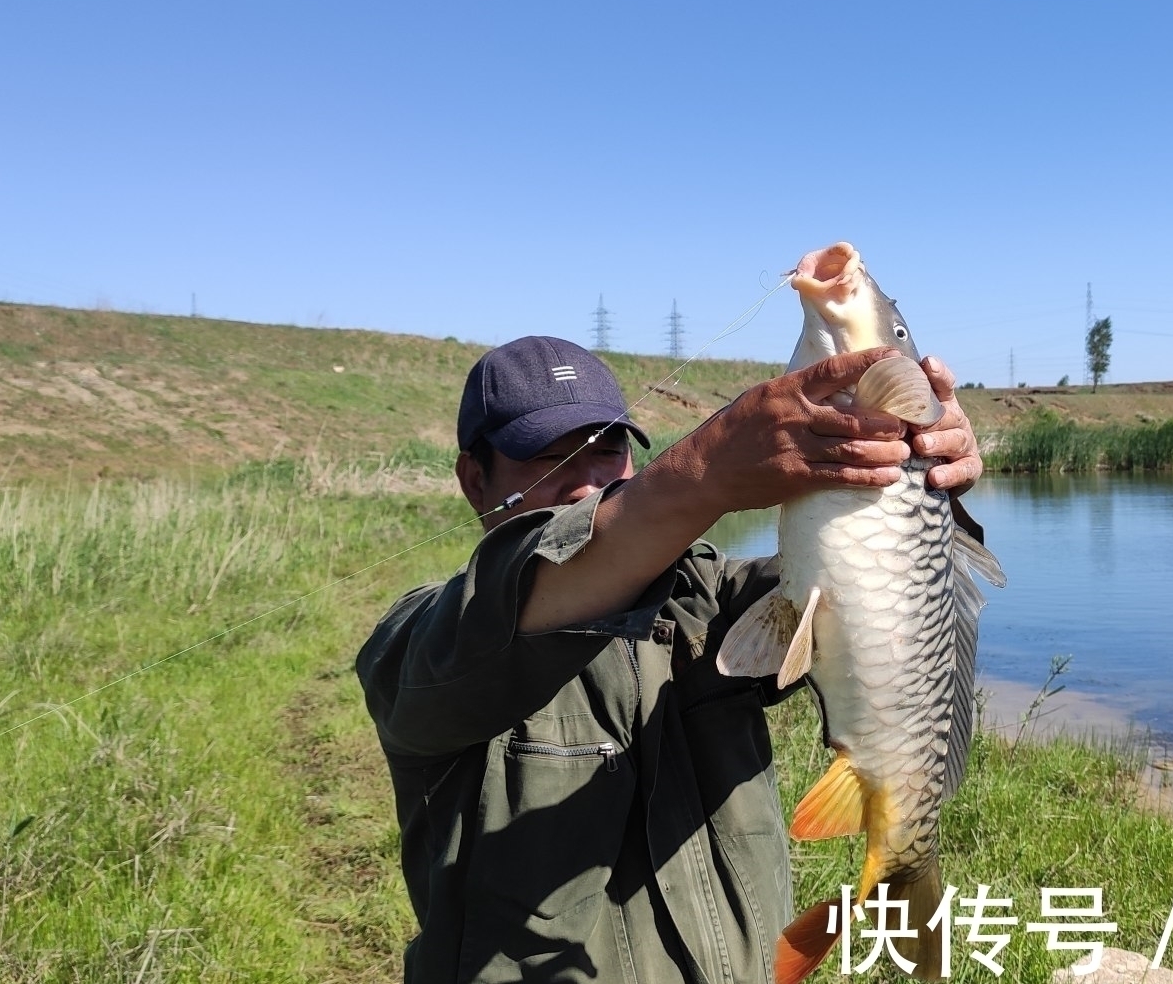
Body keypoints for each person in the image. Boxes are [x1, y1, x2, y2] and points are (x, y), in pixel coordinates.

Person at [356, 335, 983, 984]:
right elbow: (533, 583)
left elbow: (862, 590)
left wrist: (916, 485)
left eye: (609, 450)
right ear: (474, 479)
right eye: (549, 457)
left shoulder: (702, 600)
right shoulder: (423, 643)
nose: (590, 481)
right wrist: (711, 469)